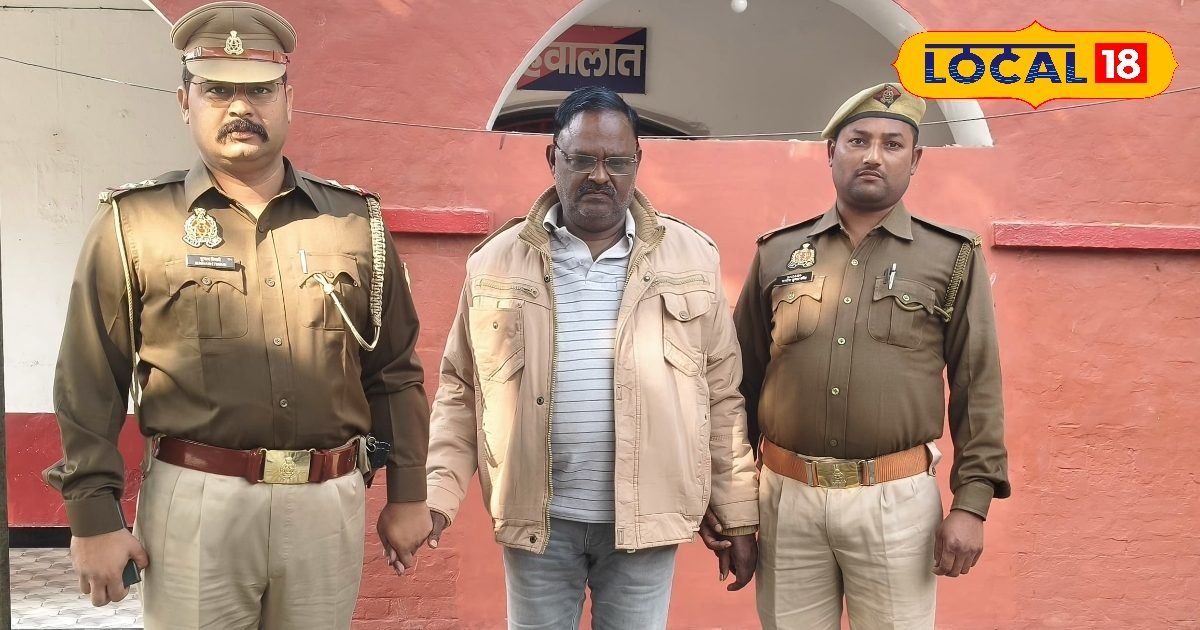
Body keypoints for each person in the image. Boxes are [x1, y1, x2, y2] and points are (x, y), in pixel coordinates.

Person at [44, 3, 431, 628]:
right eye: (217, 90)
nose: (240, 107)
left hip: (325, 503)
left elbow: (394, 370)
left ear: (289, 100)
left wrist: (409, 492)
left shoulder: (353, 222)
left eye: (260, 90)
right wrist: (93, 516)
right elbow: (89, 379)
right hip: (197, 502)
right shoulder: (135, 223)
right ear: (184, 101)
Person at [421, 86, 759, 629]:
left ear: (637, 163)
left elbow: (720, 396)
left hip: (644, 523)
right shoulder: (496, 263)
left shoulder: (692, 258)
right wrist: (437, 495)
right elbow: (462, 389)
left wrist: (738, 513)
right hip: (538, 522)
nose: (599, 175)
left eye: (616, 162)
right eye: (581, 159)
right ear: (552, 158)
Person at [730, 82, 1011, 629]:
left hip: (896, 503)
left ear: (916, 159)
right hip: (787, 500)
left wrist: (971, 503)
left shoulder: (951, 255)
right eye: (858, 141)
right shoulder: (778, 252)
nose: (873, 156)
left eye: (892, 144)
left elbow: (977, 384)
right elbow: (740, 385)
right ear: (830, 151)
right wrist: (736, 505)